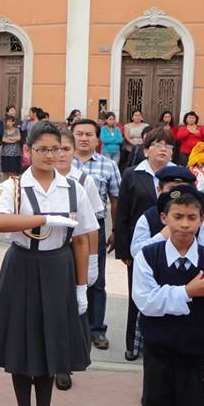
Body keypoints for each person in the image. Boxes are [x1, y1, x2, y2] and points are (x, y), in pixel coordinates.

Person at [0, 121, 98, 406]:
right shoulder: (14, 187)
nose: (50, 155)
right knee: (22, 344)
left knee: (51, 344)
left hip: (58, 266)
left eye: (56, 148)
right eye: (42, 149)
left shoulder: (73, 187)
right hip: (22, 265)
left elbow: (82, 239)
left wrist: (81, 286)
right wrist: (44, 218)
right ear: (27, 151)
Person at [133, 188, 204, 406]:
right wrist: (187, 291)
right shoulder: (148, 255)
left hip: (198, 358)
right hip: (159, 355)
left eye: (192, 217)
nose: (185, 224)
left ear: (201, 220)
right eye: (178, 217)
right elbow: (145, 301)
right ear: (164, 218)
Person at [50, 127, 106, 391]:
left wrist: (92, 261)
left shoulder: (84, 181)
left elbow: (91, 228)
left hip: (77, 254)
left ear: (74, 151)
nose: (61, 154)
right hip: (50, 254)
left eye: (66, 149)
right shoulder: (42, 180)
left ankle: (65, 365)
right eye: (56, 148)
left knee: (71, 311)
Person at [114, 126, 175, 361]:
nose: (163, 149)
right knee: (136, 295)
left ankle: (158, 344)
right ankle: (132, 343)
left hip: (171, 245)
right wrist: (123, 250)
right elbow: (122, 214)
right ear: (146, 149)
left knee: (166, 293)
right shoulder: (132, 174)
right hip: (139, 247)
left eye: (168, 145)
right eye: (158, 144)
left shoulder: (178, 175)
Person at [70, 118, 121, 351]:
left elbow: (115, 200)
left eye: (88, 134)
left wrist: (115, 230)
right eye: (79, 133)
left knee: (96, 279)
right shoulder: (62, 162)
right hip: (66, 227)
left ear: (97, 139)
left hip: (94, 228)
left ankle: (96, 329)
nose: (83, 138)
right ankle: (70, 325)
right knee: (68, 276)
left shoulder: (107, 165)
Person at [130, 171, 204, 259]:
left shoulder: (197, 218)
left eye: (184, 190)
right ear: (159, 190)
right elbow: (136, 251)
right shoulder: (148, 217)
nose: (179, 194)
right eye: (172, 189)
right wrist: (161, 236)